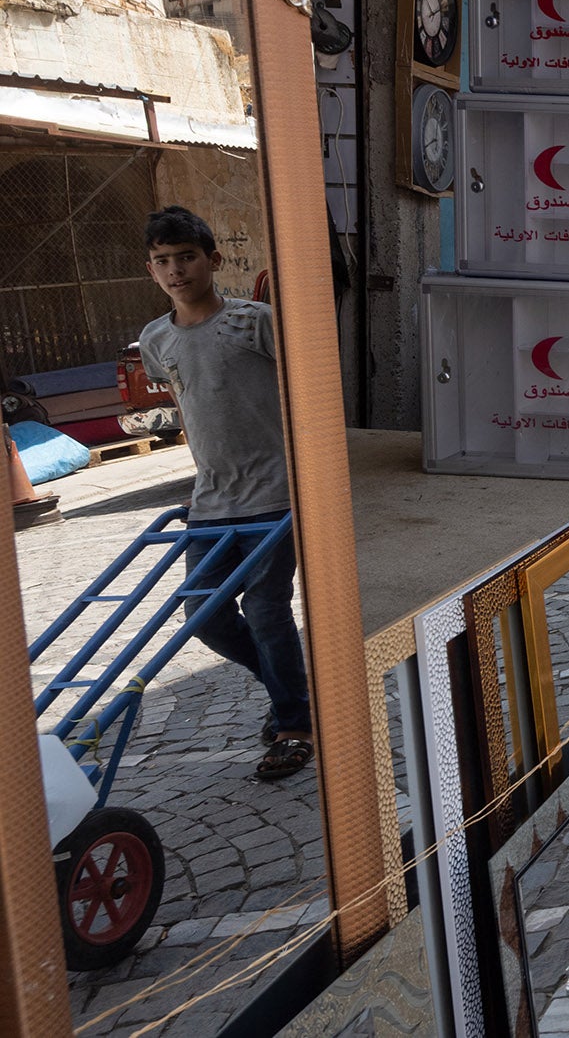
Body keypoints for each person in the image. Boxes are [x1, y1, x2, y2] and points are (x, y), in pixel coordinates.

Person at [139, 206, 314, 781]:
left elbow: (306, 390)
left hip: (275, 493)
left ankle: (295, 726)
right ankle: (291, 691)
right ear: (151, 270)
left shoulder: (255, 322)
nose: (176, 270)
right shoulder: (156, 339)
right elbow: (190, 409)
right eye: (163, 260)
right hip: (212, 500)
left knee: (265, 610)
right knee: (205, 615)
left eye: (187, 257)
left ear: (212, 260)